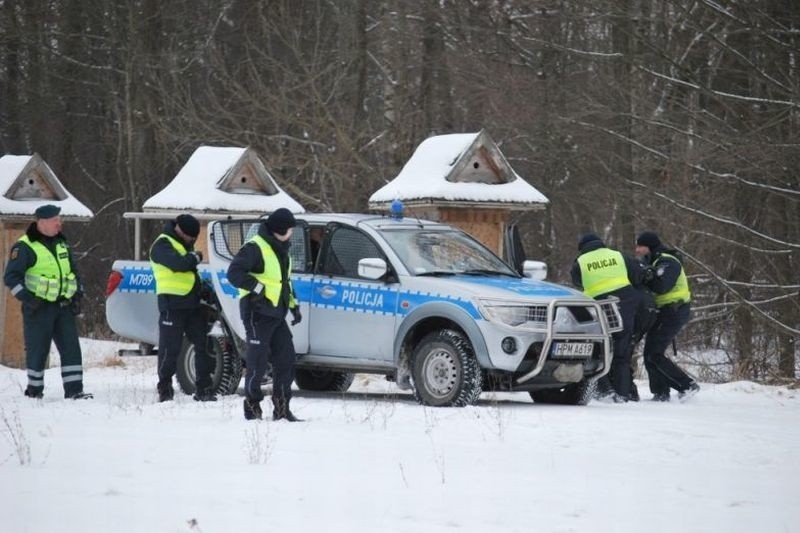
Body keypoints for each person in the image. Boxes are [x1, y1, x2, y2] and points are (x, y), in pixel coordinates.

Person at [3, 204, 92, 399]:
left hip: (63, 307)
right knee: (38, 350)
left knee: (71, 349)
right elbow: (11, 278)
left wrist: (77, 295)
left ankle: (75, 391)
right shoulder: (24, 246)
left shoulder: (62, 243)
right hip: (39, 308)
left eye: (59, 220)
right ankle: (34, 392)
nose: (59, 224)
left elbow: (74, 272)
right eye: (55, 220)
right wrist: (28, 299)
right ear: (41, 222)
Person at [227, 208, 302, 421]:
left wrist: (294, 306)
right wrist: (257, 288)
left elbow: (284, 282)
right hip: (256, 312)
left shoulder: (282, 250)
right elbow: (234, 273)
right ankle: (252, 407)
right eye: (290, 229)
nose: (292, 234)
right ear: (280, 229)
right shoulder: (254, 248)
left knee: (286, 360)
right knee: (257, 362)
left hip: (277, 313)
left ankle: (281, 408)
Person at [571, 232, 646, 402]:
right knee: (622, 354)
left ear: (582, 248)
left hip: (599, 309)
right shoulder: (617, 255)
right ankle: (623, 394)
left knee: (599, 352)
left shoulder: (580, 262)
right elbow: (637, 274)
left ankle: (605, 392)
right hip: (625, 305)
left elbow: (577, 282)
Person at [150, 214, 216, 402]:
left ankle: (204, 388)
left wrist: (203, 290)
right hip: (172, 304)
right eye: (191, 237)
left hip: (192, 304)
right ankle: (165, 388)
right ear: (181, 231)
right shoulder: (162, 245)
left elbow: (189, 275)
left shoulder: (182, 245)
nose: (193, 241)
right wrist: (195, 256)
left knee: (203, 344)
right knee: (170, 349)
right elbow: (179, 265)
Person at [635, 231, 700, 401]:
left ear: (649, 246)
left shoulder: (668, 261)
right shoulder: (655, 262)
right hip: (664, 312)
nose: (637, 250)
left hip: (674, 310)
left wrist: (647, 274)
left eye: (640, 246)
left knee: (654, 353)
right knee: (650, 353)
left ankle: (687, 385)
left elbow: (661, 286)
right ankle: (660, 393)